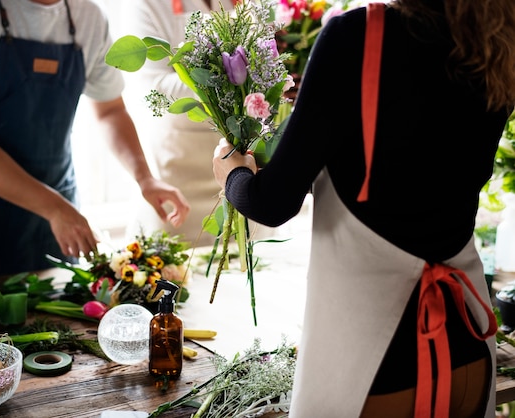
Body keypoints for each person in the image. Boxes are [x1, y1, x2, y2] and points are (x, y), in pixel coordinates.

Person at [212, 1, 511, 417]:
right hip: (469, 346)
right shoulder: (496, 38)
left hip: (373, 367)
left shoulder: (359, 36)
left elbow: (271, 202)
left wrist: (232, 174)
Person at [0, 0, 190, 287]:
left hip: (49, 205)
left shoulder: (87, 16)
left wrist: (145, 178)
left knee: (52, 321)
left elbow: (110, 111)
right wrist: (55, 208)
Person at [119, 0, 276, 247]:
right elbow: (153, 85)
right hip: (178, 178)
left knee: (249, 264)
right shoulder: (148, 4)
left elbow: (270, 60)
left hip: (245, 173)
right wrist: (229, 82)